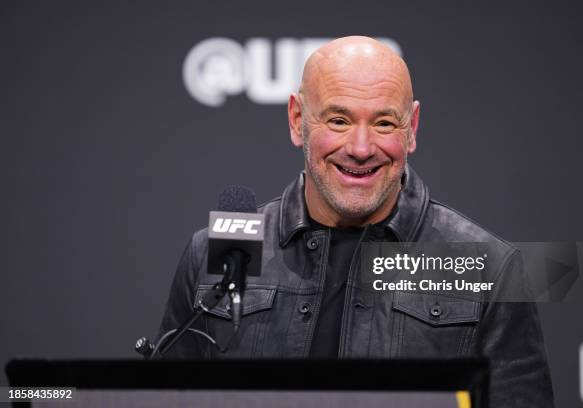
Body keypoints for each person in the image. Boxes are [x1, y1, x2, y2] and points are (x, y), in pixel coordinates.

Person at [158, 36, 554, 406]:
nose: (361, 149)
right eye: (338, 121)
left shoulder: (486, 268)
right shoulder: (214, 251)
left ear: (411, 129)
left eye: (384, 123)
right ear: (298, 121)